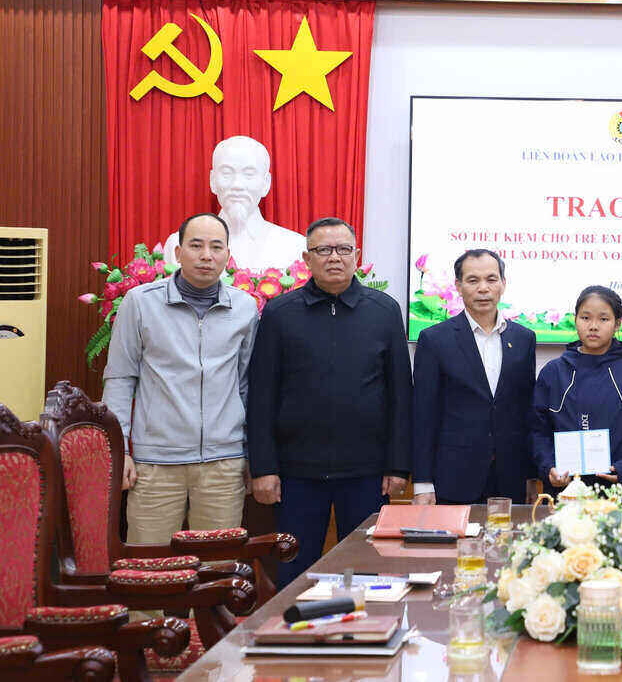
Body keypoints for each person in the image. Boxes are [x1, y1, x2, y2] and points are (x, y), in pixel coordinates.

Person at [247, 217, 412, 585]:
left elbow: (401, 393)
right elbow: (261, 395)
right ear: (307, 259)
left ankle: (367, 638)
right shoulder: (280, 313)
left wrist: (398, 466)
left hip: (367, 473)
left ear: (357, 255)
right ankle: (291, 640)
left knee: (368, 569)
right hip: (297, 473)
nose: (334, 257)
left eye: (343, 249)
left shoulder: (383, 310)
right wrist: (263, 467)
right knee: (294, 570)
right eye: (323, 250)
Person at [103, 212, 258, 544]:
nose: (206, 255)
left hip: (222, 464)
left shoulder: (245, 308)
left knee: (217, 568)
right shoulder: (141, 303)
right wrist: (120, 451)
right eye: (196, 245)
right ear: (177, 252)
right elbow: (120, 378)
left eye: (216, 247)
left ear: (228, 256)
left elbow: (246, 385)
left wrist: (248, 453)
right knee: (150, 568)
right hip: (156, 465)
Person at [411, 249, 538, 505]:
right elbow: (423, 415)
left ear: (503, 283)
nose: (483, 288)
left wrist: (531, 476)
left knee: (507, 544)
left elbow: (526, 411)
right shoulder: (435, 340)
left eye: (491, 279)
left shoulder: (524, 339)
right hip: (454, 477)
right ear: (458, 286)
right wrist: (422, 483)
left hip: (510, 477)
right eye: (472, 280)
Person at [529, 285, 622, 491]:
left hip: (620, 490)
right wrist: (548, 467)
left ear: (617, 323)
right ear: (575, 320)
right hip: (565, 490)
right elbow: (538, 431)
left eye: (603, 319)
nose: (593, 326)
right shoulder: (553, 372)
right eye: (585, 318)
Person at [163, 135, 306, 271]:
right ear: (213, 180)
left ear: (266, 183)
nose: (237, 184)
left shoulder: (295, 247)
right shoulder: (177, 245)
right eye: (227, 173)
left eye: (249, 174)